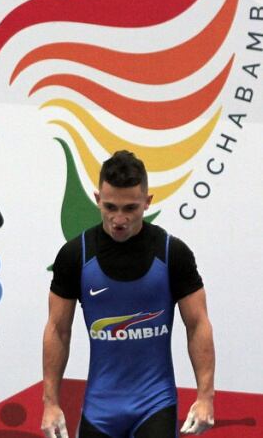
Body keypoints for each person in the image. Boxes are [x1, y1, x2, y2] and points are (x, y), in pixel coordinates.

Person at [40, 151, 216, 438]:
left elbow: (198, 324)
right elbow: (58, 330)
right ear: (97, 199)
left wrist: (205, 396)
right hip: (100, 411)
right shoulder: (75, 255)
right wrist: (50, 403)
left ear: (147, 201)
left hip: (155, 405)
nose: (119, 219)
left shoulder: (172, 253)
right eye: (110, 207)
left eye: (130, 208)